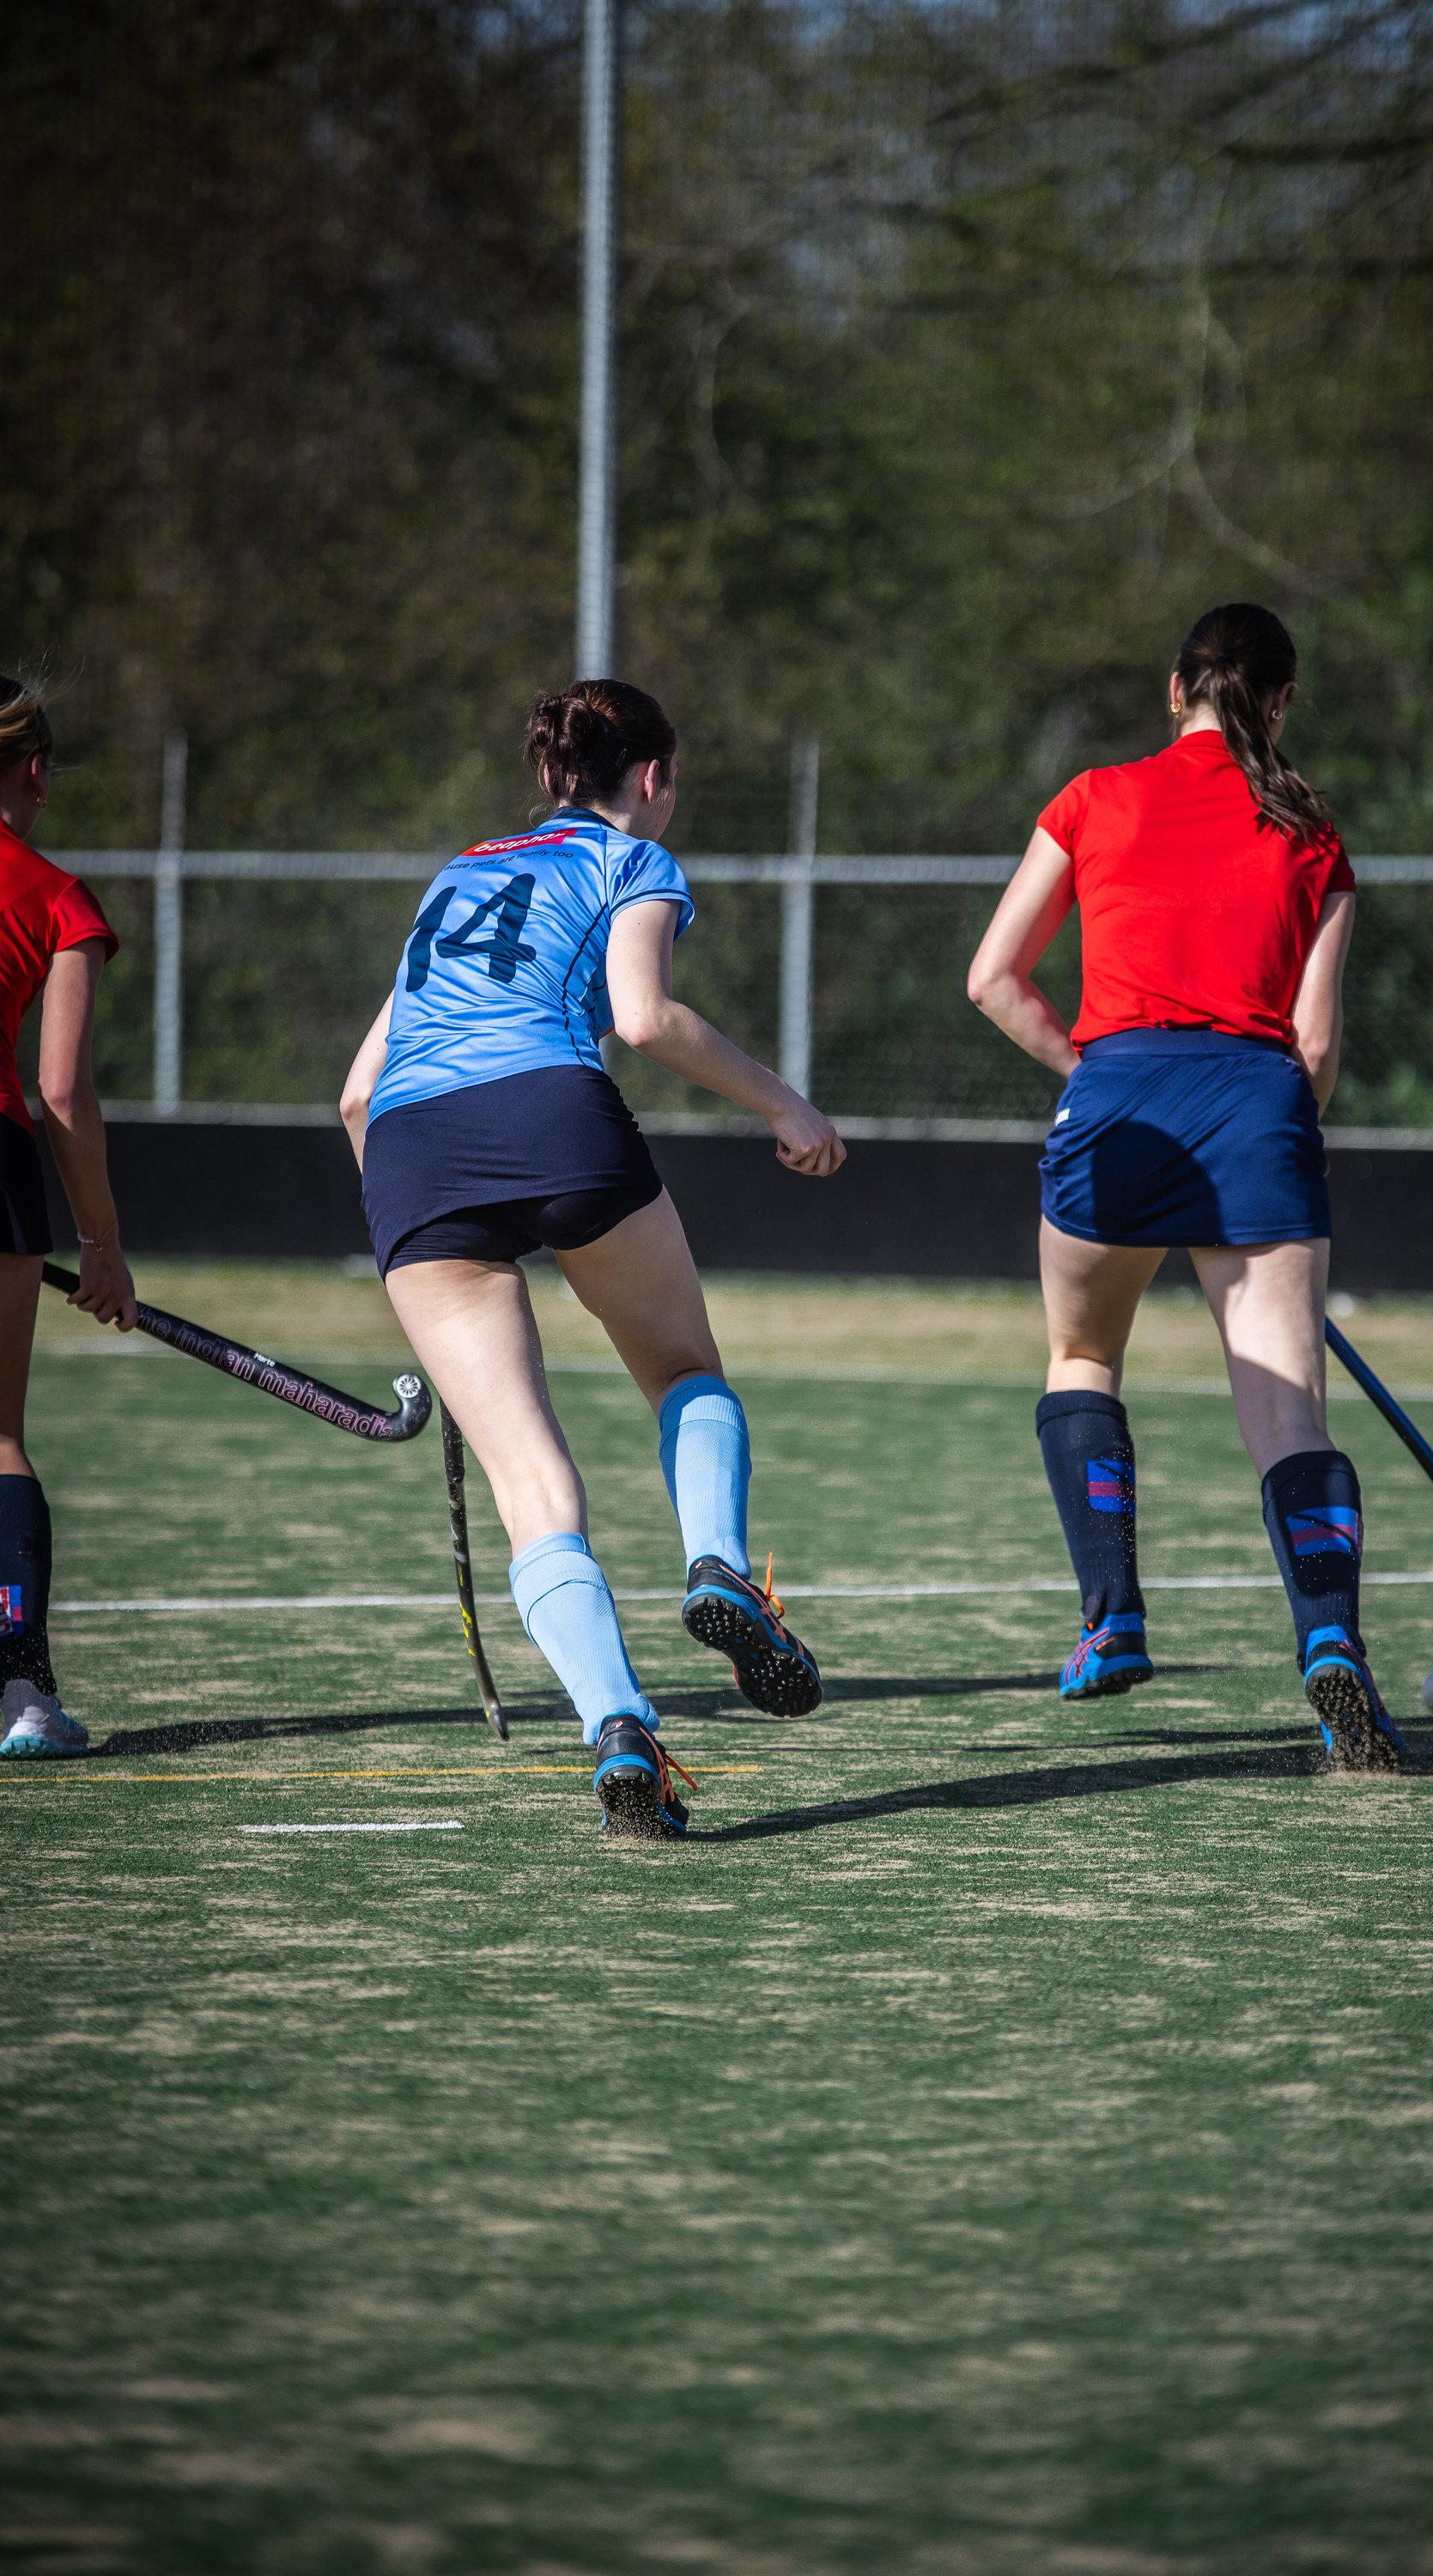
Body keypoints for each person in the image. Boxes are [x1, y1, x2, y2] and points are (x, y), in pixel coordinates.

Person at [341, 677, 846, 1837]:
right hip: (551, 1115)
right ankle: (718, 1565)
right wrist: (786, 1106)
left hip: (413, 1155)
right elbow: (644, 1017)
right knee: (682, 1371)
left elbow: (357, 1091)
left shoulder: (456, 872)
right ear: (652, 778)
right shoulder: (633, 863)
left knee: (533, 1489)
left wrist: (413, 1230)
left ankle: (621, 1734)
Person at [967, 603, 1400, 1771]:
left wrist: (1098, 1069)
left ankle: (1110, 1621)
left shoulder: (1092, 798)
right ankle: (1331, 1648)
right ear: (1280, 703)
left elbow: (993, 980)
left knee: (1082, 1358)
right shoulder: (1314, 831)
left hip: (1115, 1104)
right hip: (1259, 1111)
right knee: (1287, 1416)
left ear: (1176, 690)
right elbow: (1312, 1049)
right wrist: (1258, 1148)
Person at [0, 672, 137, 1758]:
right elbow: (60, 1092)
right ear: (33, 773)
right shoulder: (58, 894)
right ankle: (26, 1698)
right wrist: (101, 1246)